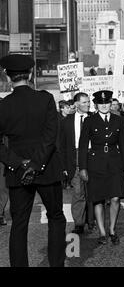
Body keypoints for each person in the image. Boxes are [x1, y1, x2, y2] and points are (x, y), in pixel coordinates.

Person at [0, 54, 66, 267]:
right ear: (30, 74)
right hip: (46, 168)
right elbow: (50, 137)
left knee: (19, 224)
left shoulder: (4, 105)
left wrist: (20, 164)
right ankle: (56, 264)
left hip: (17, 171)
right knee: (56, 217)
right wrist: (36, 164)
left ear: (7, 76)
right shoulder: (45, 98)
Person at [78, 90, 124, 245]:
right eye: (101, 103)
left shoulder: (118, 120)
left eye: (107, 103)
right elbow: (82, 146)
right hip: (96, 164)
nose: (104, 106)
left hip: (115, 162)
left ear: (110, 103)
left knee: (115, 198)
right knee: (98, 199)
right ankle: (102, 232)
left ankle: (112, 230)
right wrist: (83, 167)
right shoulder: (89, 121)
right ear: (96, 105)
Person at [59, 92, 95, 235]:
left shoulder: (94, 118)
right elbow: (61, 146)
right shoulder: (66, 121)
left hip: (93, 157)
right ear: (76, 104)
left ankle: (92, 220)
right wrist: (63, 167)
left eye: (88, 102)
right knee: (78, 192)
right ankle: (79, 223)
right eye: (84, 102)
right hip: (74, 159)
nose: (88, 104)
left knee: (93, 191)